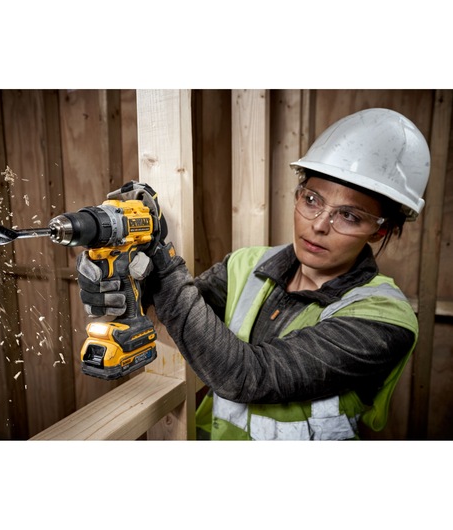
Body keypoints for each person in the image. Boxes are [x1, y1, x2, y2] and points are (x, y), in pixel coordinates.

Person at [77, 108, 431, 441]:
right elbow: (181, 314)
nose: (320, 225)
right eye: (311, 200)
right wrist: (128, 276)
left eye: (349, 216)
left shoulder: (385, 321)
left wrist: (164, 264)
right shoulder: (247, 264)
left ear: (380, 231)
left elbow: (248, 376)